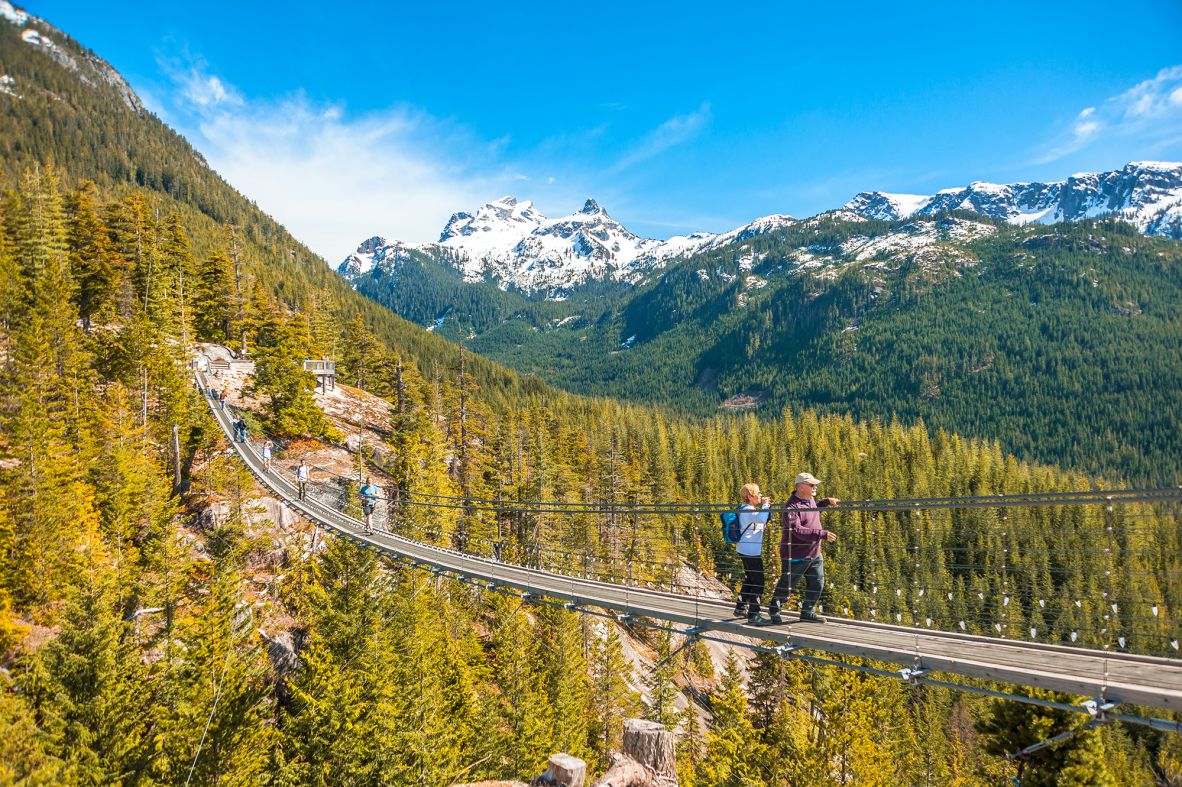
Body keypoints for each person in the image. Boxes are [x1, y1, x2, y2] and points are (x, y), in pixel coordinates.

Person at [768, 472, 840, 624]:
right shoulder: (791, 507)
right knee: (788, 584)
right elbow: (797, 531)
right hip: (795, 554)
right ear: (801, 487)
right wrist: (822, 534)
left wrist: (826, 501)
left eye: (815, 485)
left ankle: (808, 611)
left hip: (814, 553)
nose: (815, 487)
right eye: (812, 485)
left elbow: (813, 508)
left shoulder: (810, 500)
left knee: (817, 583)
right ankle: (774, 610)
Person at [733, 483, 772, 624]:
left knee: (750, 579)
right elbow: (762, 519)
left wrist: (766, 508)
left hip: (744, 549)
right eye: (758, 493)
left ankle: (740, 608)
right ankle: (753, 615)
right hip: (751, 551)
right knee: (759, 582)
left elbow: (764, 519)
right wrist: (766, 505)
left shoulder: (744, 509)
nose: (760, 496)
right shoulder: (749, 510)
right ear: (750, 497)